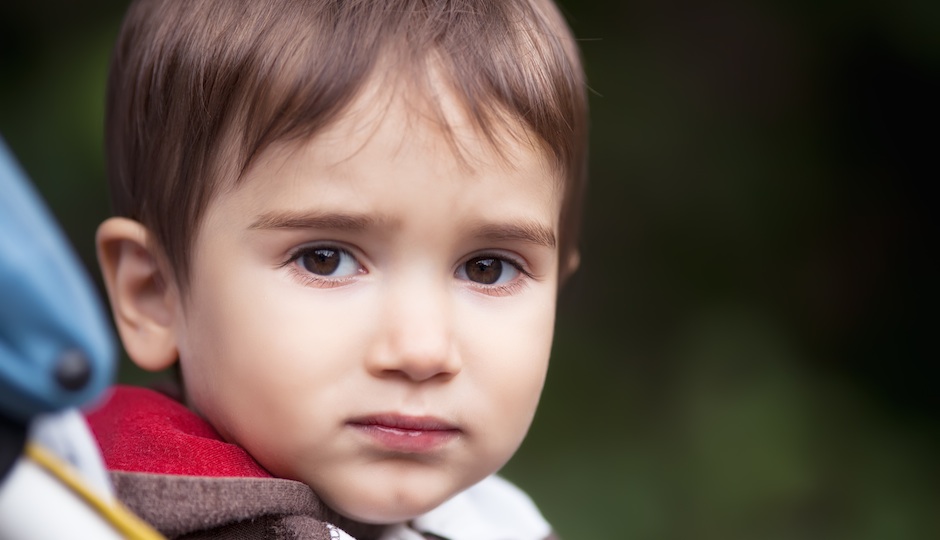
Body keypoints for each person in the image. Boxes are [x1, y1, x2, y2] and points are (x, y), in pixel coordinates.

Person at [87, 0, 587, 538]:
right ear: (154, 294)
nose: (422, 352)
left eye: (488, 269)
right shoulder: (81, 513)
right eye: (325, 259)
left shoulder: (498, 522)